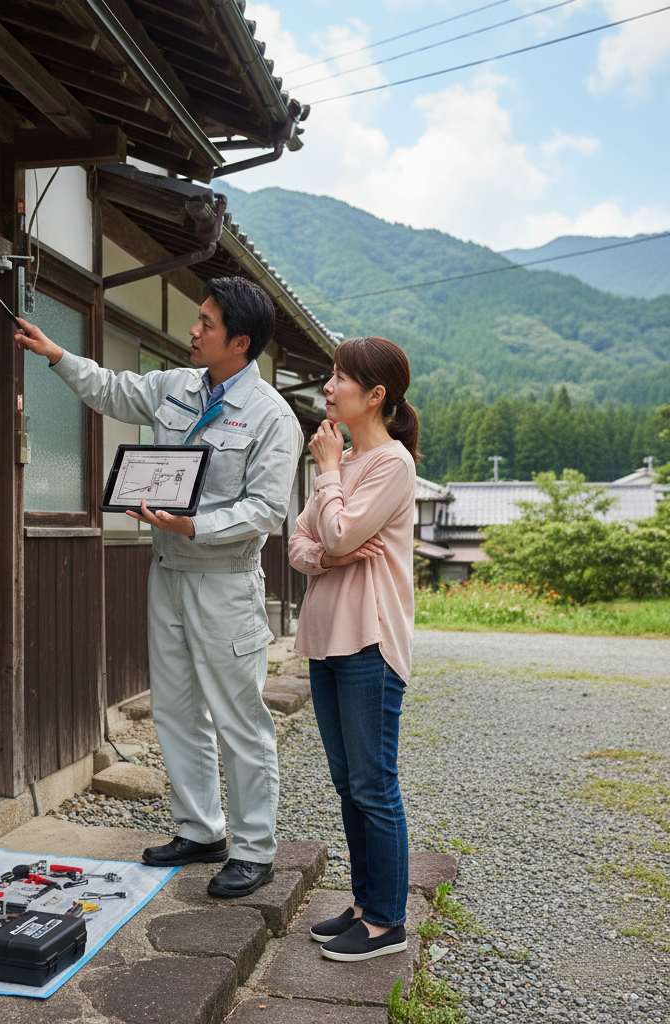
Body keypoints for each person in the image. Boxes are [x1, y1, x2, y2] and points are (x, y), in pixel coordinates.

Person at [15, 277, 301, 896]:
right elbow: (113, 390)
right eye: (197, 318)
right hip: (166, 573)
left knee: (240, 719)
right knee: (175, 709)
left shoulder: (273, 416)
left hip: (225, 582)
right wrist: (57, 355)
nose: (193, 331)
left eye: (206, 323)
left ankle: (254, 850)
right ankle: (201, 831)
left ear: (240, 342)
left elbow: (266, 510)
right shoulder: (177, 386)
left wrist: (193, 525)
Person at [288, 335, 419, 962]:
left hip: (370, 639)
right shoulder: (341, 464)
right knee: (348, 783)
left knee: (374, 783)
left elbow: (336, 531)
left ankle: (388, 921)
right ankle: (367, 904)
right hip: (327, 638)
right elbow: (301, 544)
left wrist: (328, 480)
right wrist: (328, 555)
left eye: (340, 377)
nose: (328, 385)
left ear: (375, 395)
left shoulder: (391, 464)